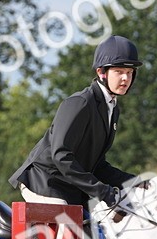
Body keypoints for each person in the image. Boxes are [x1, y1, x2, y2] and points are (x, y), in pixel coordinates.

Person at [8, 35, 145, 209]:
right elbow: (61, 155)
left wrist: (134, 181)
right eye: (119, 71)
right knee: (69, 225)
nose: (125, 78)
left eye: (130, 72)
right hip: (45, 182)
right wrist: (102, 191)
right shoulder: (80, 103)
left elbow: (97, 165)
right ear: (101, 72)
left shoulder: (112, 109)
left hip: (70, 188)